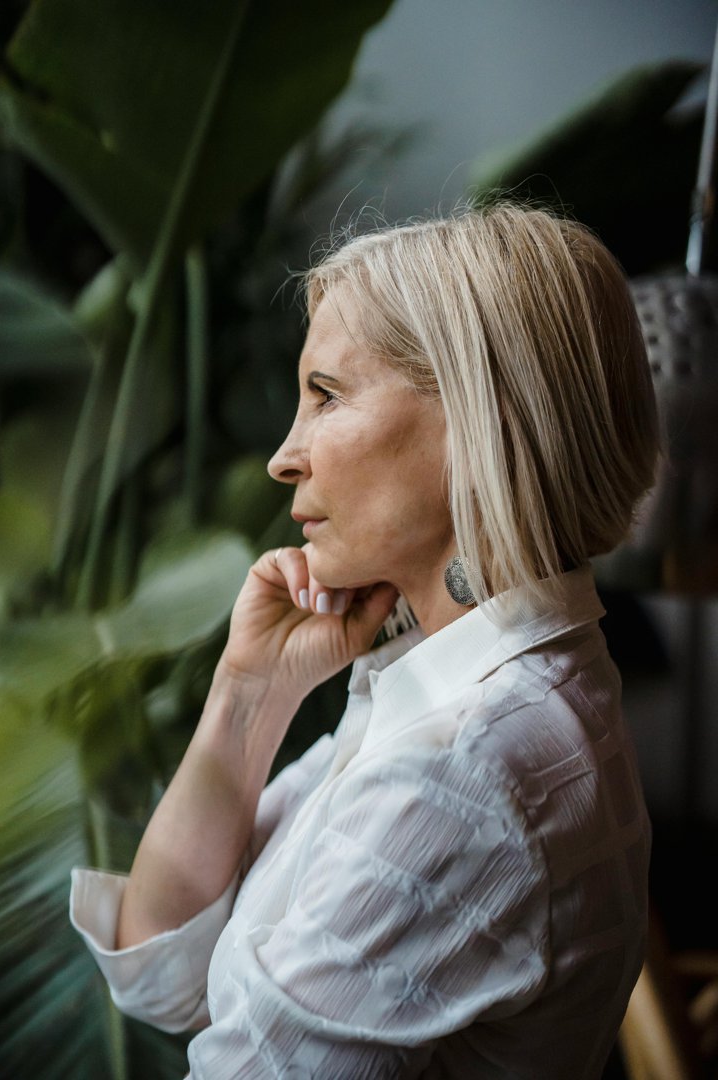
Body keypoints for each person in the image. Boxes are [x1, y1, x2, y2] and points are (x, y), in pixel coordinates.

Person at [70, 203, 659, 1078]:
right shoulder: (455, 694)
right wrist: (249, 691)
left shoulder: (460, 772)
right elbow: (163, 972)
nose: (284, 456)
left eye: (326, 395)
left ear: (479, 416)